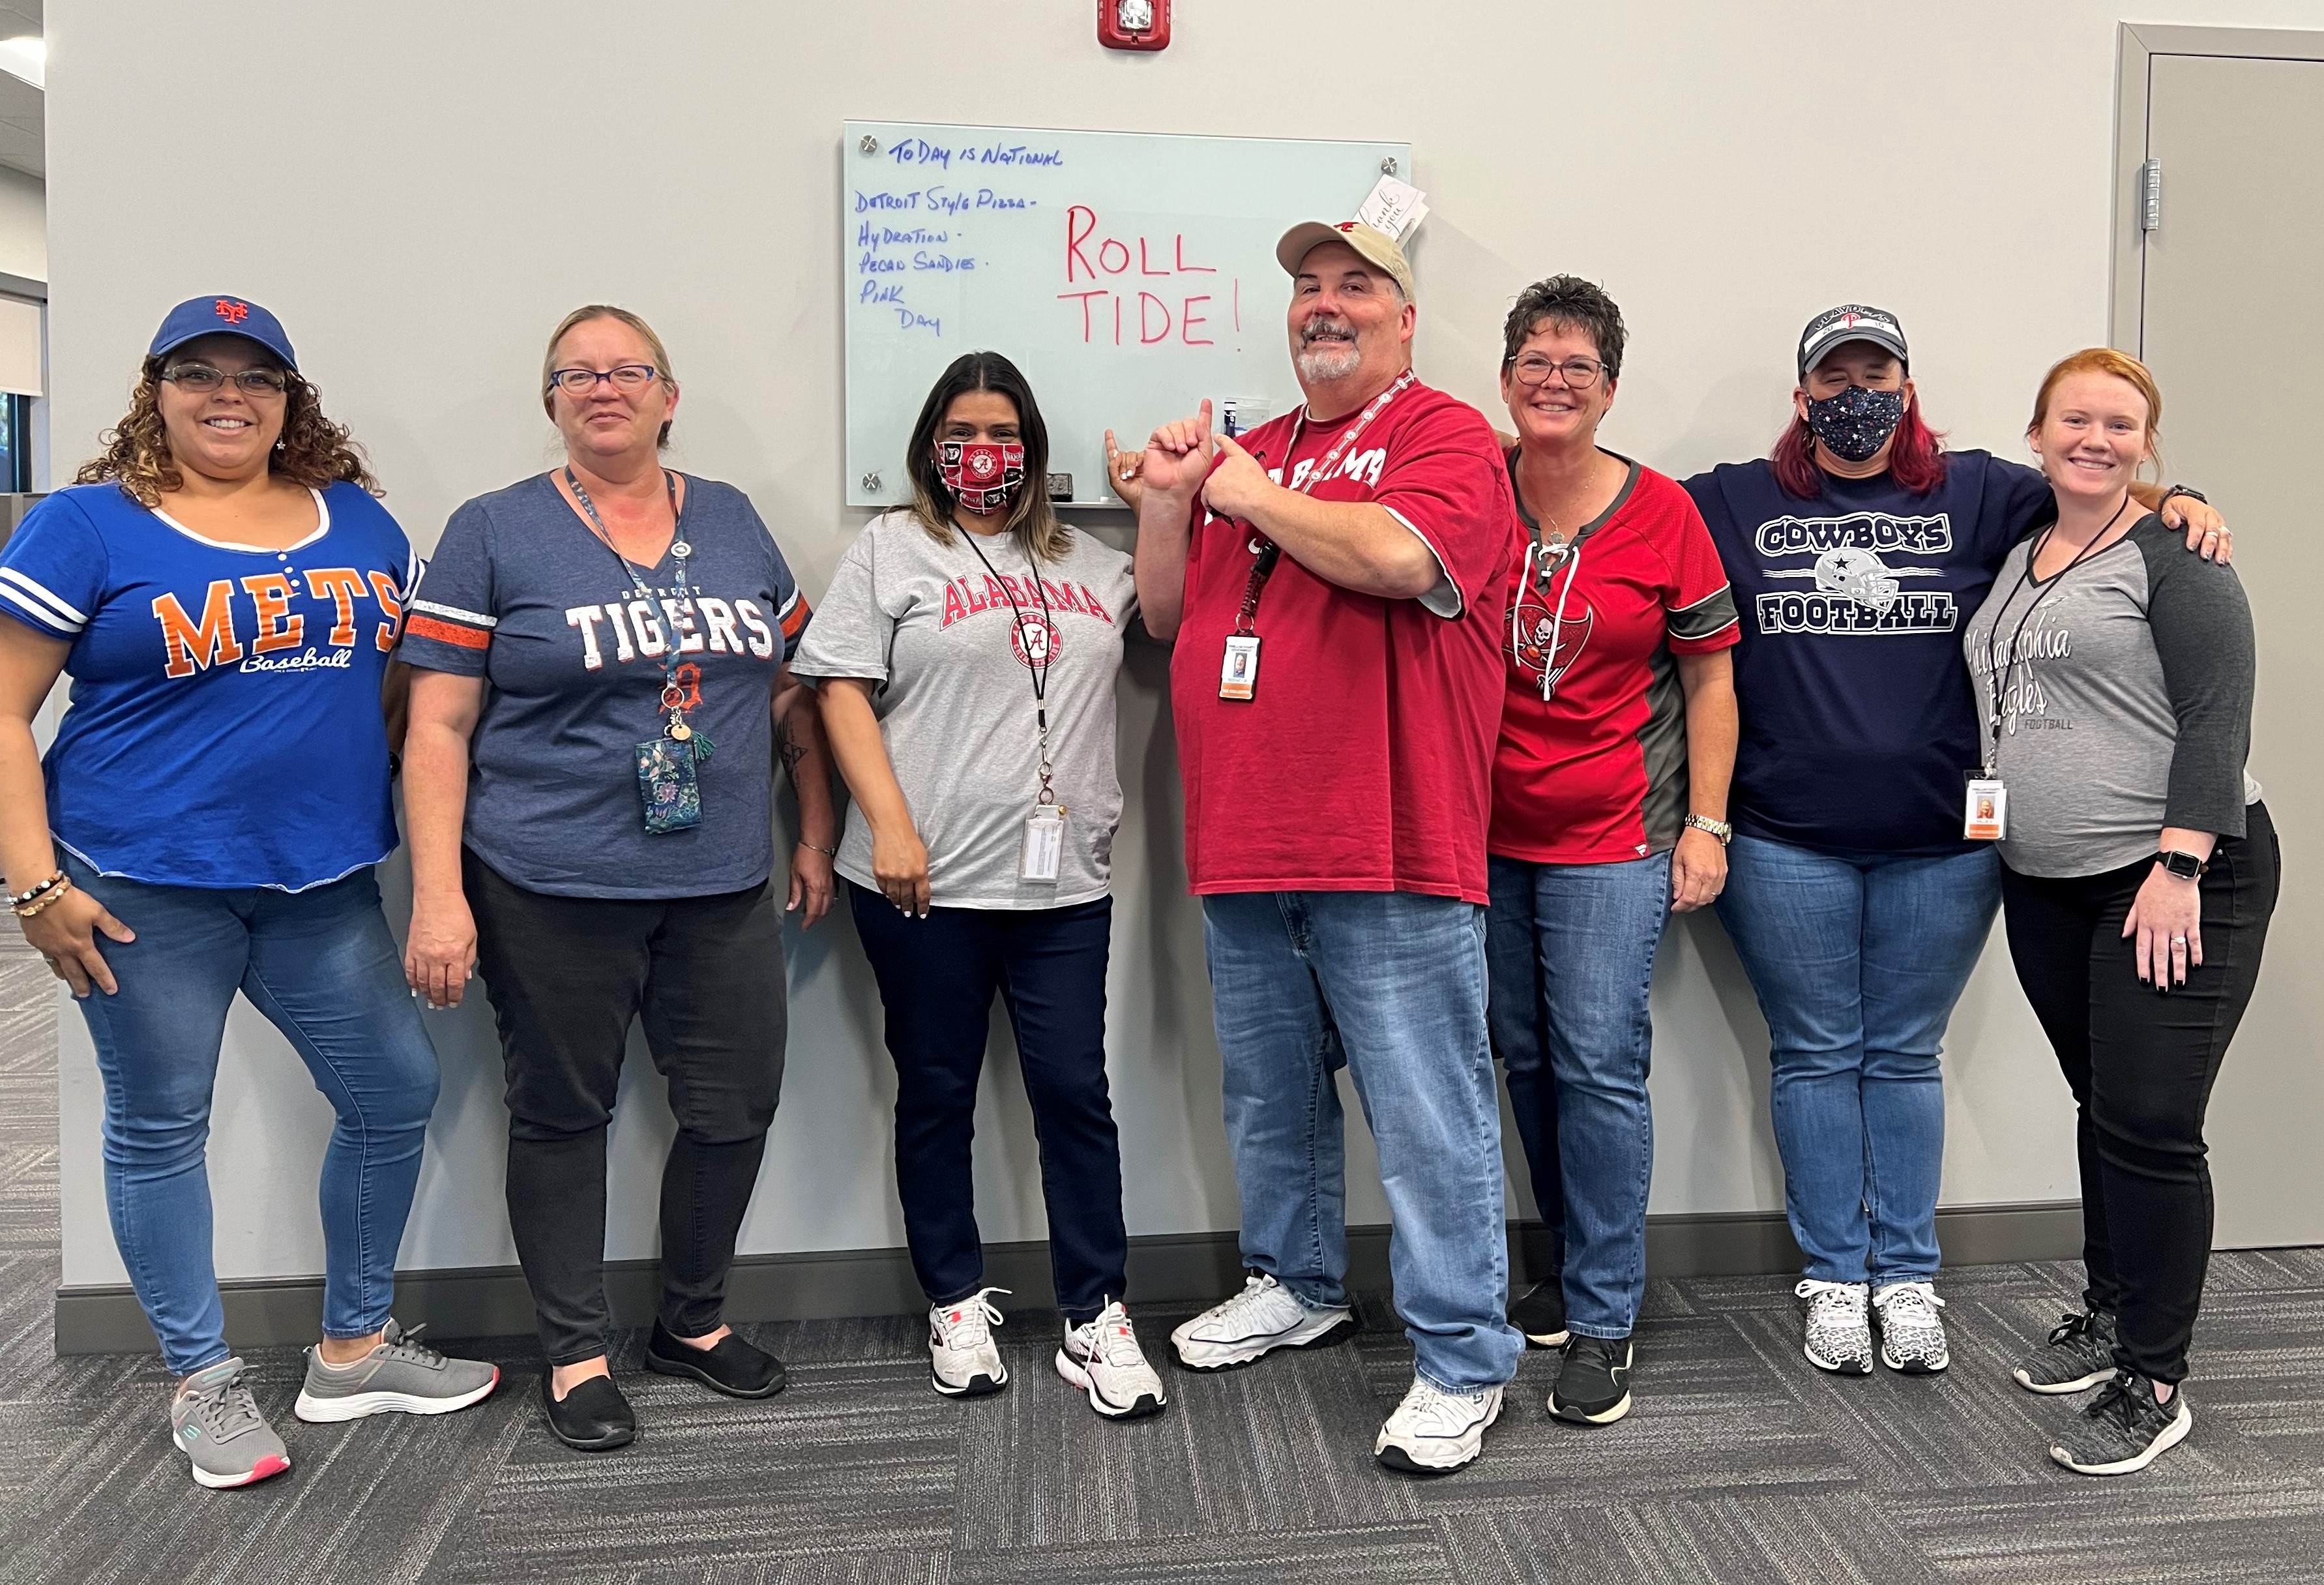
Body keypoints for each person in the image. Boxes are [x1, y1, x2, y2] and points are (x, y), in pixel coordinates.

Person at [0, 296, 498, 1490]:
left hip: (319, 883)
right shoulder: (84, 527)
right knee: (162, 1124)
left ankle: (353, 1345)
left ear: (290, 397)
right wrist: (34, 886)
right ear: (155, 389)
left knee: (393, 1095)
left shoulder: (362, 522)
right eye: (198, 372)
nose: (228, 395)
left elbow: (405, 684)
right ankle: (201, 1378)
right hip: (142, 887)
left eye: (255, 375)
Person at [1681, 306, 2228, 1381]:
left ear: (1907, 384)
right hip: (1786, 840)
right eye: (1832, 379)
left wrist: (2185, 501)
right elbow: (1614, 504)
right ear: (1802, 398)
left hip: (1947, 842)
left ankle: (1907, 1276)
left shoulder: (1978, 489)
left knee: (1900, 1055)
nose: (1855, 396)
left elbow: (2099, 486)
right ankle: (1835, 1275)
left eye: (1874, 373)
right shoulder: (1730, 499)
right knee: (1814, 1056)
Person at [398, 305, 836, 1453]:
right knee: (561, 1113)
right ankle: (576, 1349)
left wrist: (812, 826)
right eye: (575, 373)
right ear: (549, 400)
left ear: (668, 393)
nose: (603, 386)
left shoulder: (734, 520)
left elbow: (790, 688)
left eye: (626, 369)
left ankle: (689, 1323)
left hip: (723, 878)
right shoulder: (492, 530)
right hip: (546, 884)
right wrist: (439, 895)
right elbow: (437, 725)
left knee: (735, 1106)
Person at [1135, 220, 1525, 1474]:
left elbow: (1406, 558)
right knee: (1271, 1092)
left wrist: (1235, 487)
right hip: (1246, 832)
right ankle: (1297, 1281)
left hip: (1389, 837)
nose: (1324, 307)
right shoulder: (1255, 449)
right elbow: (1164, 612)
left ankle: (1465, 1356)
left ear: (1404, 319)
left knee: (1427, 1111)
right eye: (1307, 288)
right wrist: (1162, 504)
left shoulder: (1446, 436)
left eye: (1355, 287)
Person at [793, 351, 1166, 1421]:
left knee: (1072, 1097)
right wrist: (893, 827)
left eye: (1001, 433)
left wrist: (1153, 511)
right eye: (958, 434)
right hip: (920, 886)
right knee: (938, 1093)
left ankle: (1096, 1314)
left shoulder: (1094, 564)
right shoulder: (891, 548)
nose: (981, 454)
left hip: (1064, 891)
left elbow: (1178, 623)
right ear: (927, 447)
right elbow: (839, 695)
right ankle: (954, 1301)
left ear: (1034, 449)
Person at [1965, 349, 2273, 1476]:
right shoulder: (2017, 557)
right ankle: (2105, 1311)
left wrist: (2178, 865)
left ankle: (2155, 1375)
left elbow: (2214, 715)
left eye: (2121, 425)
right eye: (2075, 420)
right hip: (2045, 881)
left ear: (2147, 444)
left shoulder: (2177, 553)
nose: (2095, 439)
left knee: (2148, 1123)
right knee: (2101, 1106)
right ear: (2037, 433)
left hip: (2173, 877)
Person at [1484, 277, 1739, 1425]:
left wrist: (1706, 823)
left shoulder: (1663, 515)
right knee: (1523, 1056)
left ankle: (1603, 1315)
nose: (1551, 381)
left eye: (1575, 367)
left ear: (1608, 390)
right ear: (1504, 379)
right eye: (1534, 361)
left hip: (1613, 833)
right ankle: (1564, 1262)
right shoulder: (1467, 490)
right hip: (1478, 836)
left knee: (1595, 1062)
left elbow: (1710, 678)